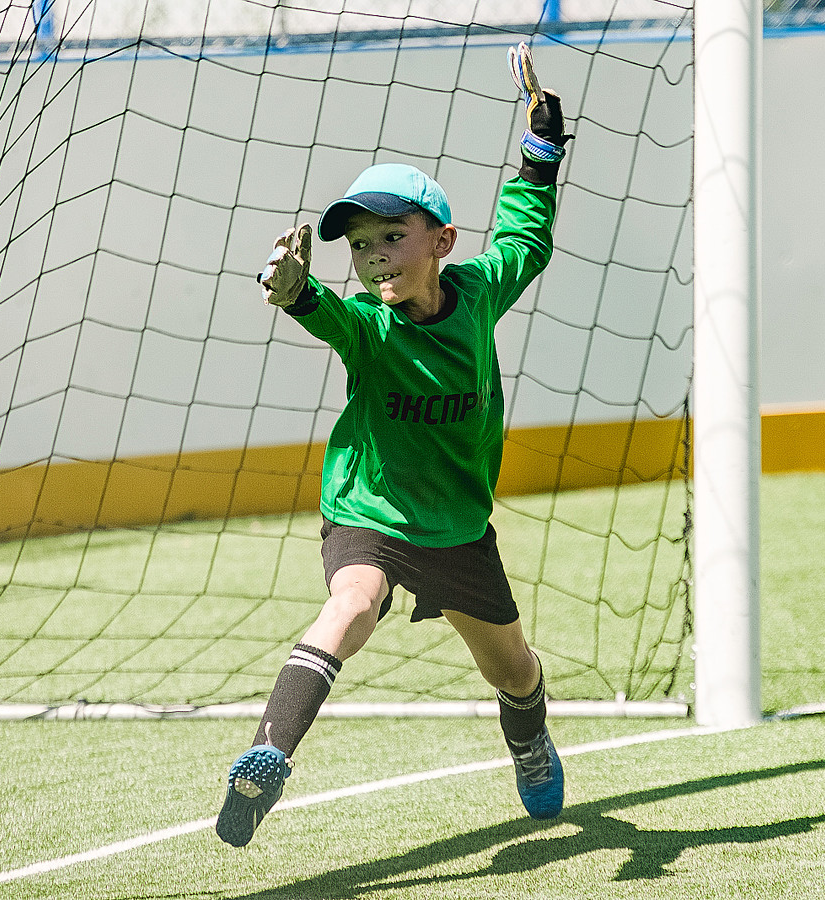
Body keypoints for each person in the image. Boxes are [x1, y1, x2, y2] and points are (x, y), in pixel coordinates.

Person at [216, 42, 574, 848]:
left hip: (456, 528)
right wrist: (295, 292)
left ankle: (529, 743)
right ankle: (267, 756)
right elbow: (327, 315)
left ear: (441, 242)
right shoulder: (367, 326)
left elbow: (526, 236)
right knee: (351, 603)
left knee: (512, 669)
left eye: (390, 235)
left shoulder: (478, 292)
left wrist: (541, 149)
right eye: (358, 245)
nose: (372, 255)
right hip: (368, 512)